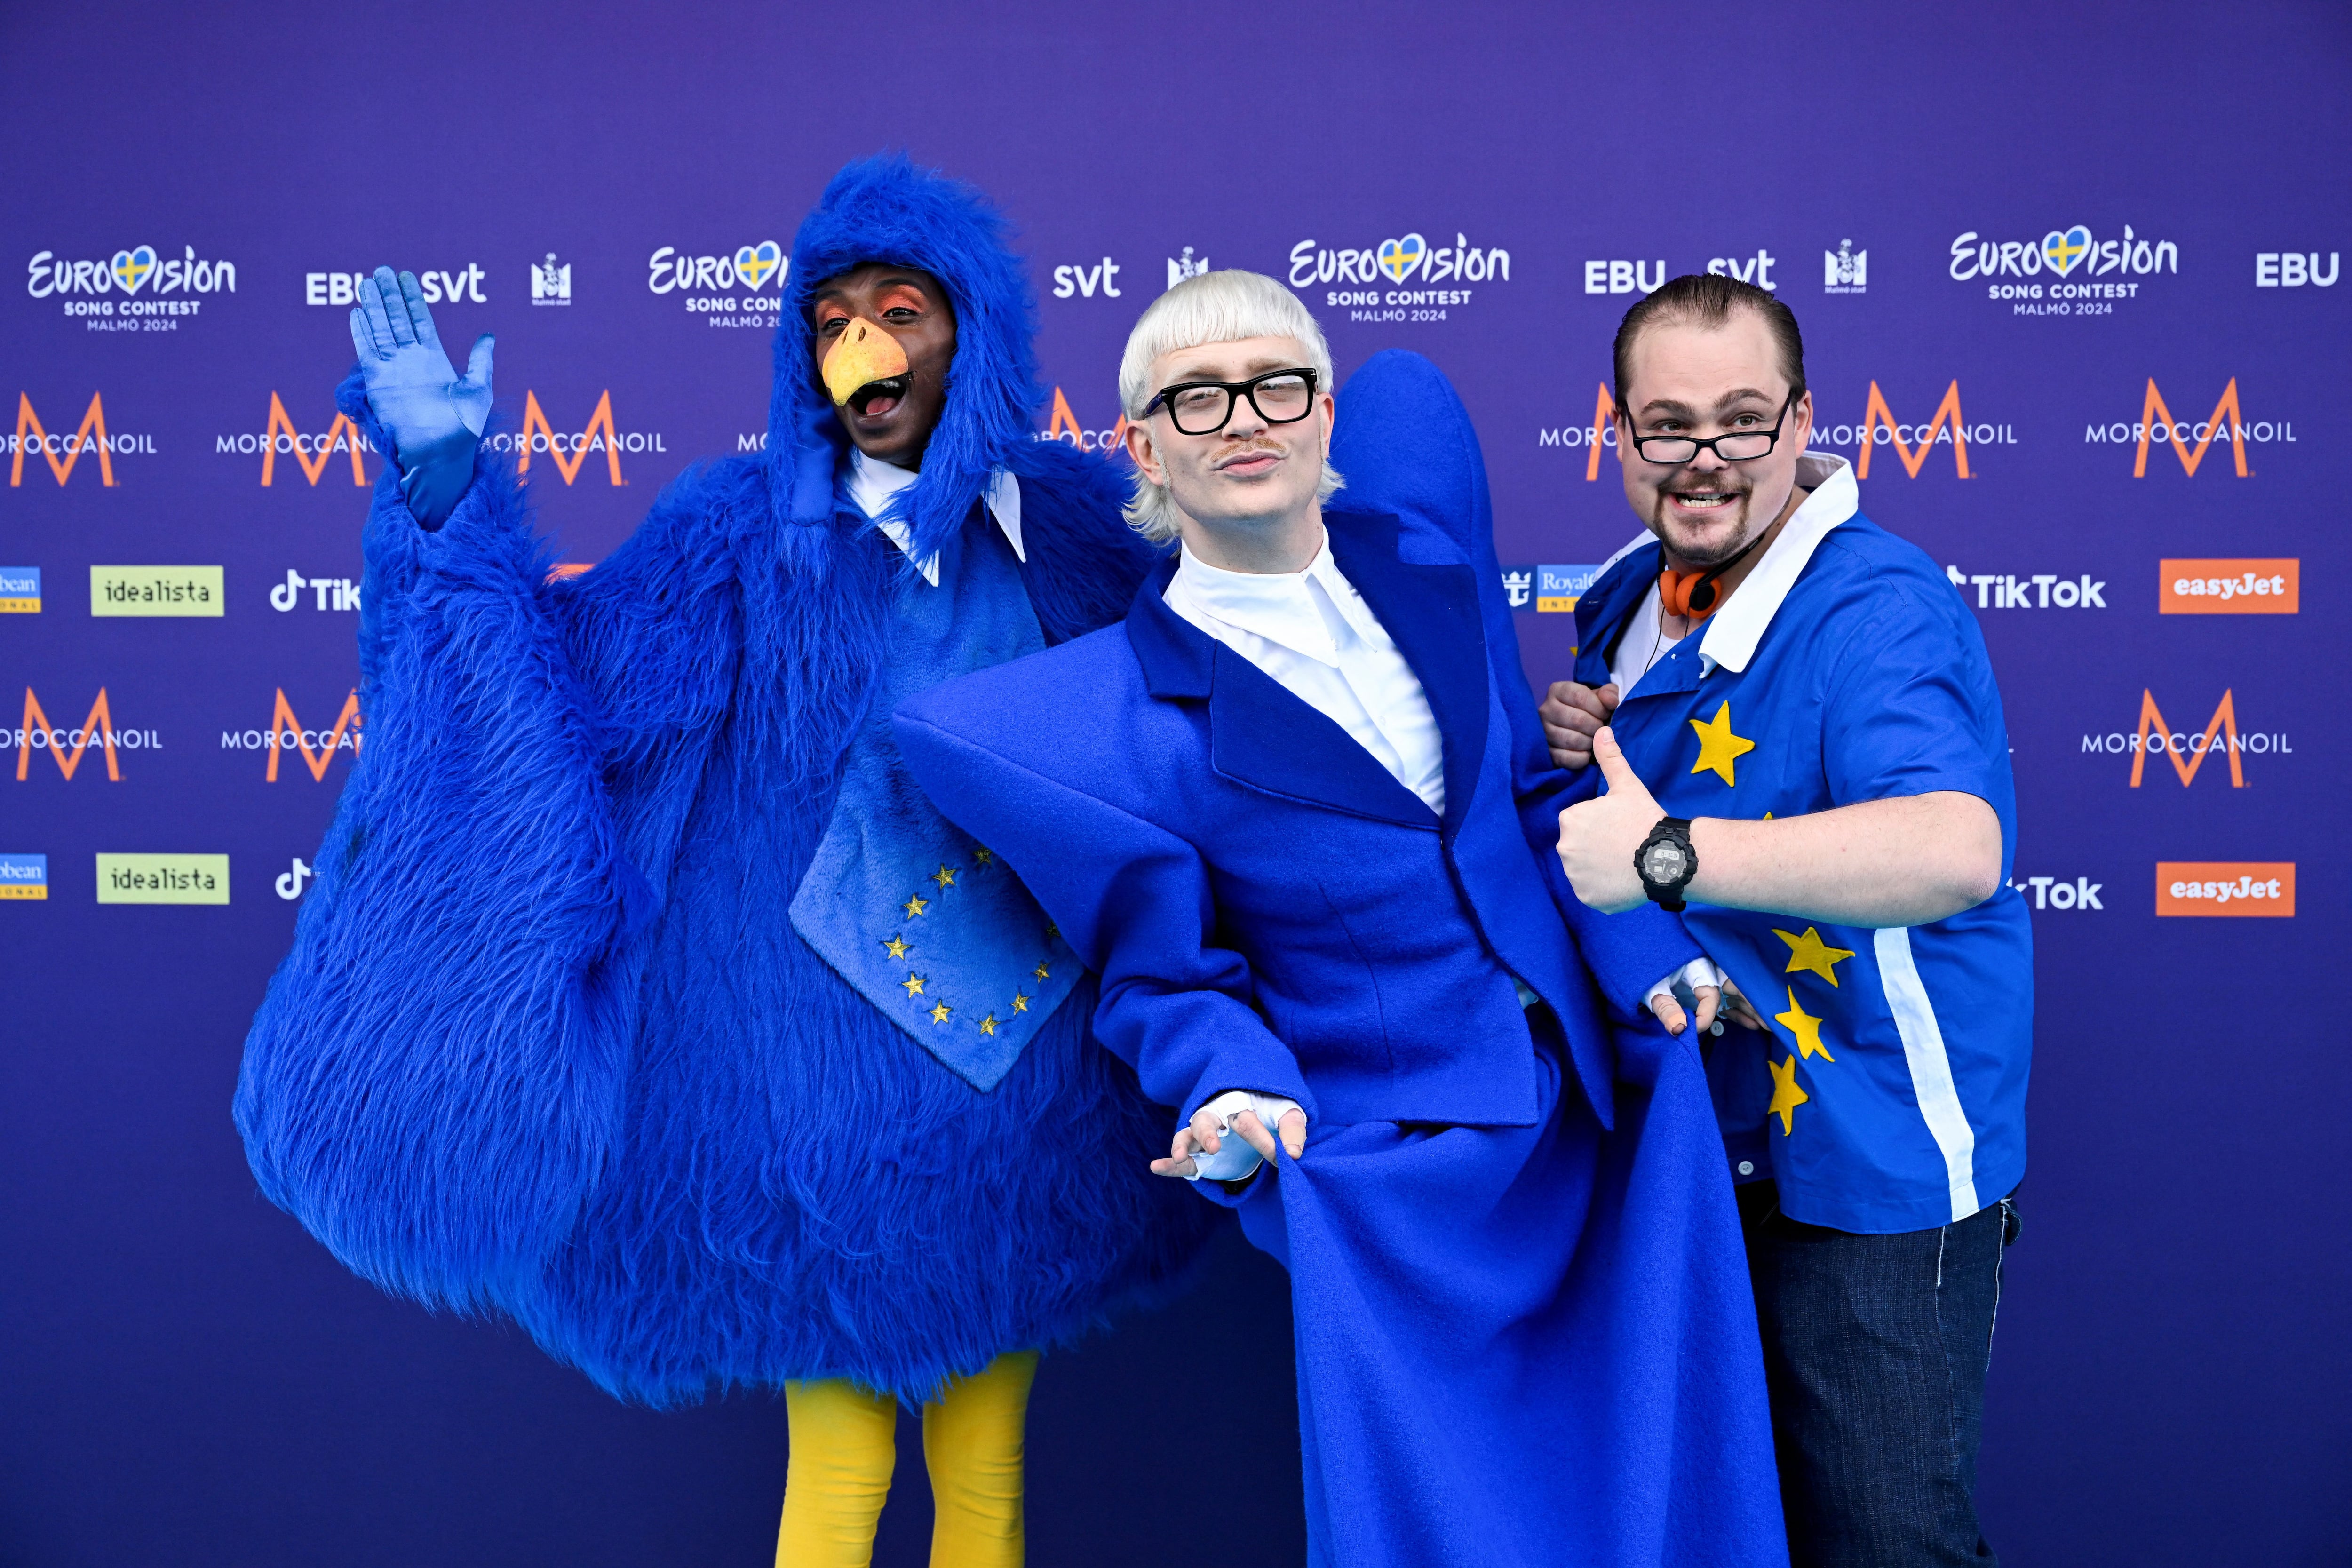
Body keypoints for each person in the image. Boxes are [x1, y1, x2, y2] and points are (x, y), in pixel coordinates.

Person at [233, 155, 1219, 1568]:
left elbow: (1223, 690)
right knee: (837, 1461)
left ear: (977, 330)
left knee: (990, 1464)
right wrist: (449, 489)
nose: (865, 348)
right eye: (831, 320)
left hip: (1035, 1083)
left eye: (901, 309)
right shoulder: (730, 537)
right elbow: (566, 708)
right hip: (811, 1106)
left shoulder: (1078, 530)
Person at [893, 270, 1785, 1568]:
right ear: (1142, 446)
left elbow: (1533, 805)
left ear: (1322, 421)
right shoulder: (1111, 724)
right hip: (1410, 1176)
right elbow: (1167, 979)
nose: (1239, 418)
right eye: (1194, 398)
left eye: (1274, 386)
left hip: (1606, 1111)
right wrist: (1236, 1094)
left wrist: (1651, 953)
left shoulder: (1424, 555)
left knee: (1660, 1505)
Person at [1542, 272, 2030, 1567]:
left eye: (1744, 422)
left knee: (1880, 1540)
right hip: (1706, 1144)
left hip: (1872, 1156)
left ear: (1804, 420)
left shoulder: (1879, 608)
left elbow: (1956, 849)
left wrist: (1661, 852)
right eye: (1668, 425)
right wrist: (1588, 733)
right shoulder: (1630, 592)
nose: (1706, 461)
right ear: (1620, 429)